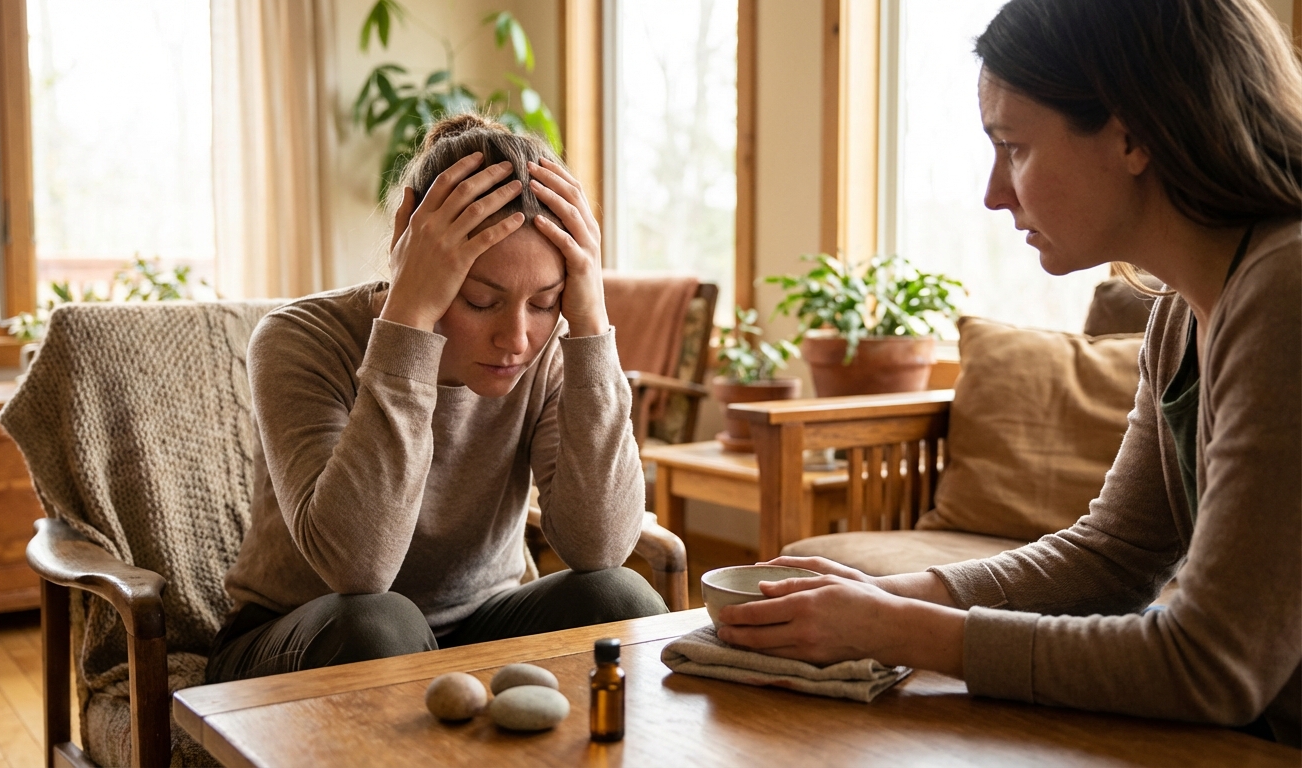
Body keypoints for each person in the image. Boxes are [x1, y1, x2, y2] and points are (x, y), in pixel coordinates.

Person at [717, 0, 1301, 746]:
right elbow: (1115, 557)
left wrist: (900, 630)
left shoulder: (1285, 289)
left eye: (1013, 147)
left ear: (1132, 135)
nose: (995, 192)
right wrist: (894, 595)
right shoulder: (1180, 312)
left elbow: (1211, 666)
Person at [205, 114, 667, 683]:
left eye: (545, 302)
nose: (517, 339)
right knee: (379, 624)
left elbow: (600, 546)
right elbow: (358, 568)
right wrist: (408, 324)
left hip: (478, 627)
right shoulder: (300, 338)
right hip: (313, 636)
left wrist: (591, 326)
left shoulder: (548, 349)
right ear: (413, 257)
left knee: (620, 598)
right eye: (480, 301)